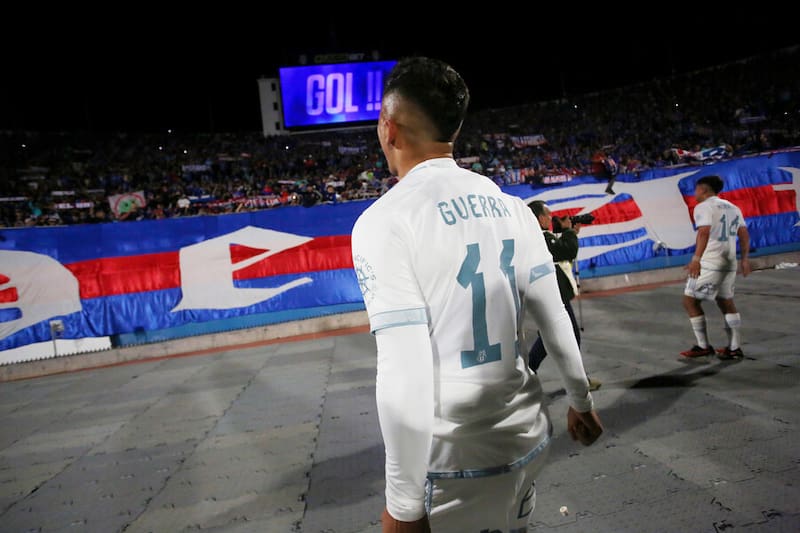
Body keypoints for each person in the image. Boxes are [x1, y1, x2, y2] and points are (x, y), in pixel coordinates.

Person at [351, 57, 603, 533]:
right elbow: (555, 319)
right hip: (526, 437)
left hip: (454, 461)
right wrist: (581, 401)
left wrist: (404, 506)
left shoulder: (383, 222)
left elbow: (404, 369)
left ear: (388, 128)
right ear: (456, 128)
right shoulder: (513, 208)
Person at [527, 201, 601, 391]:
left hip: (551, 295)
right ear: (540, 218)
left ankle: (528, 373)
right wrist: (568, 232)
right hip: (553, 296)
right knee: (570, 335)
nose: (551, 219)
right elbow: (566, 251)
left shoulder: (537, 236)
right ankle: (579, 381)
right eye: (548, 216)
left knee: (548, 338)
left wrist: (567, 232)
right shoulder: (540, 237)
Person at [681, 175, 751, 360]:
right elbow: (743, 234)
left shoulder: (703, 207)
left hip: (711, 262)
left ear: (703, 189)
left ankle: (703, 346)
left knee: (690, 301)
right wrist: (744, 259)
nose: (694, 193)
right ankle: (734, 347)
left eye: (696, 189)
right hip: (729, 260)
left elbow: (703, 232)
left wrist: (696, 260)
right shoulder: (733, 207)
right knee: (725, 300)